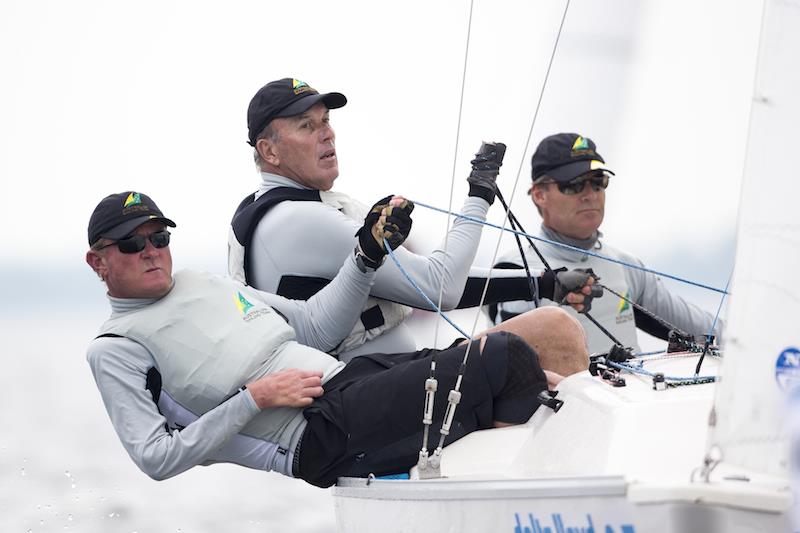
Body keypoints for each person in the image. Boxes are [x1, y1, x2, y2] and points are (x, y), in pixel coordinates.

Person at [86, 190, 564, 488]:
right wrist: (254, 398)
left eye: (159, 238)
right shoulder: (116, 348)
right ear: (98, 262)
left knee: (537, 353)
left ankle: (541, 470)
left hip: (349, 381)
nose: (151, 252)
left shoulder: (208, 283)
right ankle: (536, 480)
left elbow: (315, 327)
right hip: (316, 432)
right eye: (132, 244)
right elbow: (156, 458)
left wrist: (366, 256)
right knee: (503, 356)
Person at [228, 77, 596, 374]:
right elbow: (440, 288)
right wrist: (479, 194)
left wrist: (545, 282)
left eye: (326, 121)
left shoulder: (279, 210)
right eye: (306, 126)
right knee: (553, 331)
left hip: (386, 381)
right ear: (270, 152)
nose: (327, 134)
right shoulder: (298, 220)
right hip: (361, 405)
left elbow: (425, 282)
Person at [489, 133, 722, 354]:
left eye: (598, 182)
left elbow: (711, 332)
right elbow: (513, 374)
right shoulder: (514, 271)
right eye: (574, 185)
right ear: (540, 195)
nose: (590, 194)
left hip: (635, 394)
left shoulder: (626, 265)